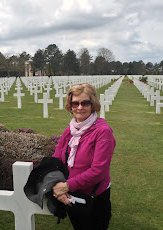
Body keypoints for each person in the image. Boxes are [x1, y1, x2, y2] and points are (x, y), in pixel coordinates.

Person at [52, 83, 116, 230]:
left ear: (92, 104)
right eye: (75, 103)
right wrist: (58, 187)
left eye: (85, 102)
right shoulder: (69, 131)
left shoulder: (103, 132)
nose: (79, 107)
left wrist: (66, 186)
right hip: (72, 195)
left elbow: (98, 171)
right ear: (70, 105)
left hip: (95, 198)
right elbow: (56, 160)